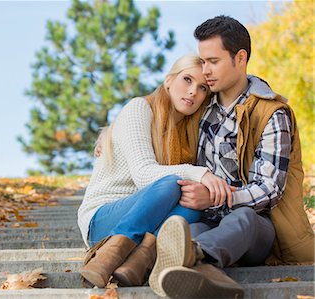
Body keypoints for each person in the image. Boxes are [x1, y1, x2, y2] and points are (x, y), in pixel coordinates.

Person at [147, 15, 314, 298]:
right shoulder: (201, 105)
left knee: (243, 219)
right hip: (207, 221)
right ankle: (209, 274)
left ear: (240, 58)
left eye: (214, 61)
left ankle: (195, 255)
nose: (206, 70)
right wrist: (111, 133)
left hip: (259, 229)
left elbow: (269, 189)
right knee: (183, 230)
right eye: (202, 61)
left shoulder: (272, 114)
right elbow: (160, 105)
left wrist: (214, 197)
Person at [77, 55, 234, 289]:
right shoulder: (139, 108)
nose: (193, 92)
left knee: (193, 198)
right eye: (187, 80)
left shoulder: (189, 131)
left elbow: (237, 84)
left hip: (148, 221)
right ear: (169, 80)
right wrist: (199, 173)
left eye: (202, 88)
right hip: (102, 220)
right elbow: (143, 174)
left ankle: (138, 263)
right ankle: (105, 259)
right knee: (171, 183)